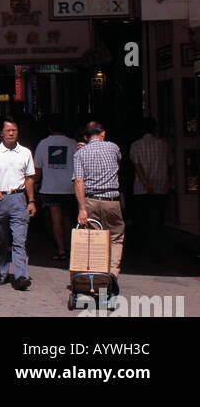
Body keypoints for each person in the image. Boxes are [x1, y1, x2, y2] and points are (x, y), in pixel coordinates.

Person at [0, 118, 37, 291]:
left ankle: (21, 276)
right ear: (2, 133)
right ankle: (3, 273)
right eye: (8, 131)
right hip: (0, 200)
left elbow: (29, 179)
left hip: (19, 199)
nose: (11, 133)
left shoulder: (26, 152)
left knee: (19, 240)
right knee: (1, 239)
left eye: (14, 130)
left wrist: (31, 201)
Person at [73, 120, 124, 290]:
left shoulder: (79, 154)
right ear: (103, 133)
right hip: (111, 200)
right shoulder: (113, 148)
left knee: (94, 240)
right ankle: (112, 273)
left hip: (90, 201)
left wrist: (82, 208)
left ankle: (96, 280)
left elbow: (79, 181)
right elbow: (118, 165)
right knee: (115, 238)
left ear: (86, 137)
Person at [33, 115, 76, 262]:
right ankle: (71, 249)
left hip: (50, 187)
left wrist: (36, 183)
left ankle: (61, 250)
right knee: (68, 218)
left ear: (49, 128)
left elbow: (37, 169)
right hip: (69, 187)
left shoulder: (43, 144)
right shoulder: (73, 143)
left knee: (55, 218)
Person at [129, 118, 171, 261]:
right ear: (154, 129)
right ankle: (157, 249)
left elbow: (137, 165)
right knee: (157, 220)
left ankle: (144, 249)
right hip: (161, 186)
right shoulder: (163, 145)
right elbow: (170, 163)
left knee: (143, 219)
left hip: (142, 188)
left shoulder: (136, 145)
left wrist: (145, 182)